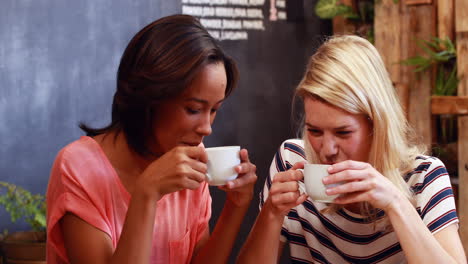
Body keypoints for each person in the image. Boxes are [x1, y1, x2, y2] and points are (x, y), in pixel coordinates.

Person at [46, 14, 257, 264]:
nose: (206, 128)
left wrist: (235, 207)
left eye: (214, 110)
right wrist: (147, 193)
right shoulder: (78, 166)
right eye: (193, 109)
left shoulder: (190, 158)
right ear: (150, 98)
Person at [237, 35, 466, 263]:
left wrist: (396, 203)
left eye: (343, 132)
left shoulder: (423, 176)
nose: (327, 150)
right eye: (314, 131)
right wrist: (271, 214)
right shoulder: (292, 160)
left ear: (376, 125)